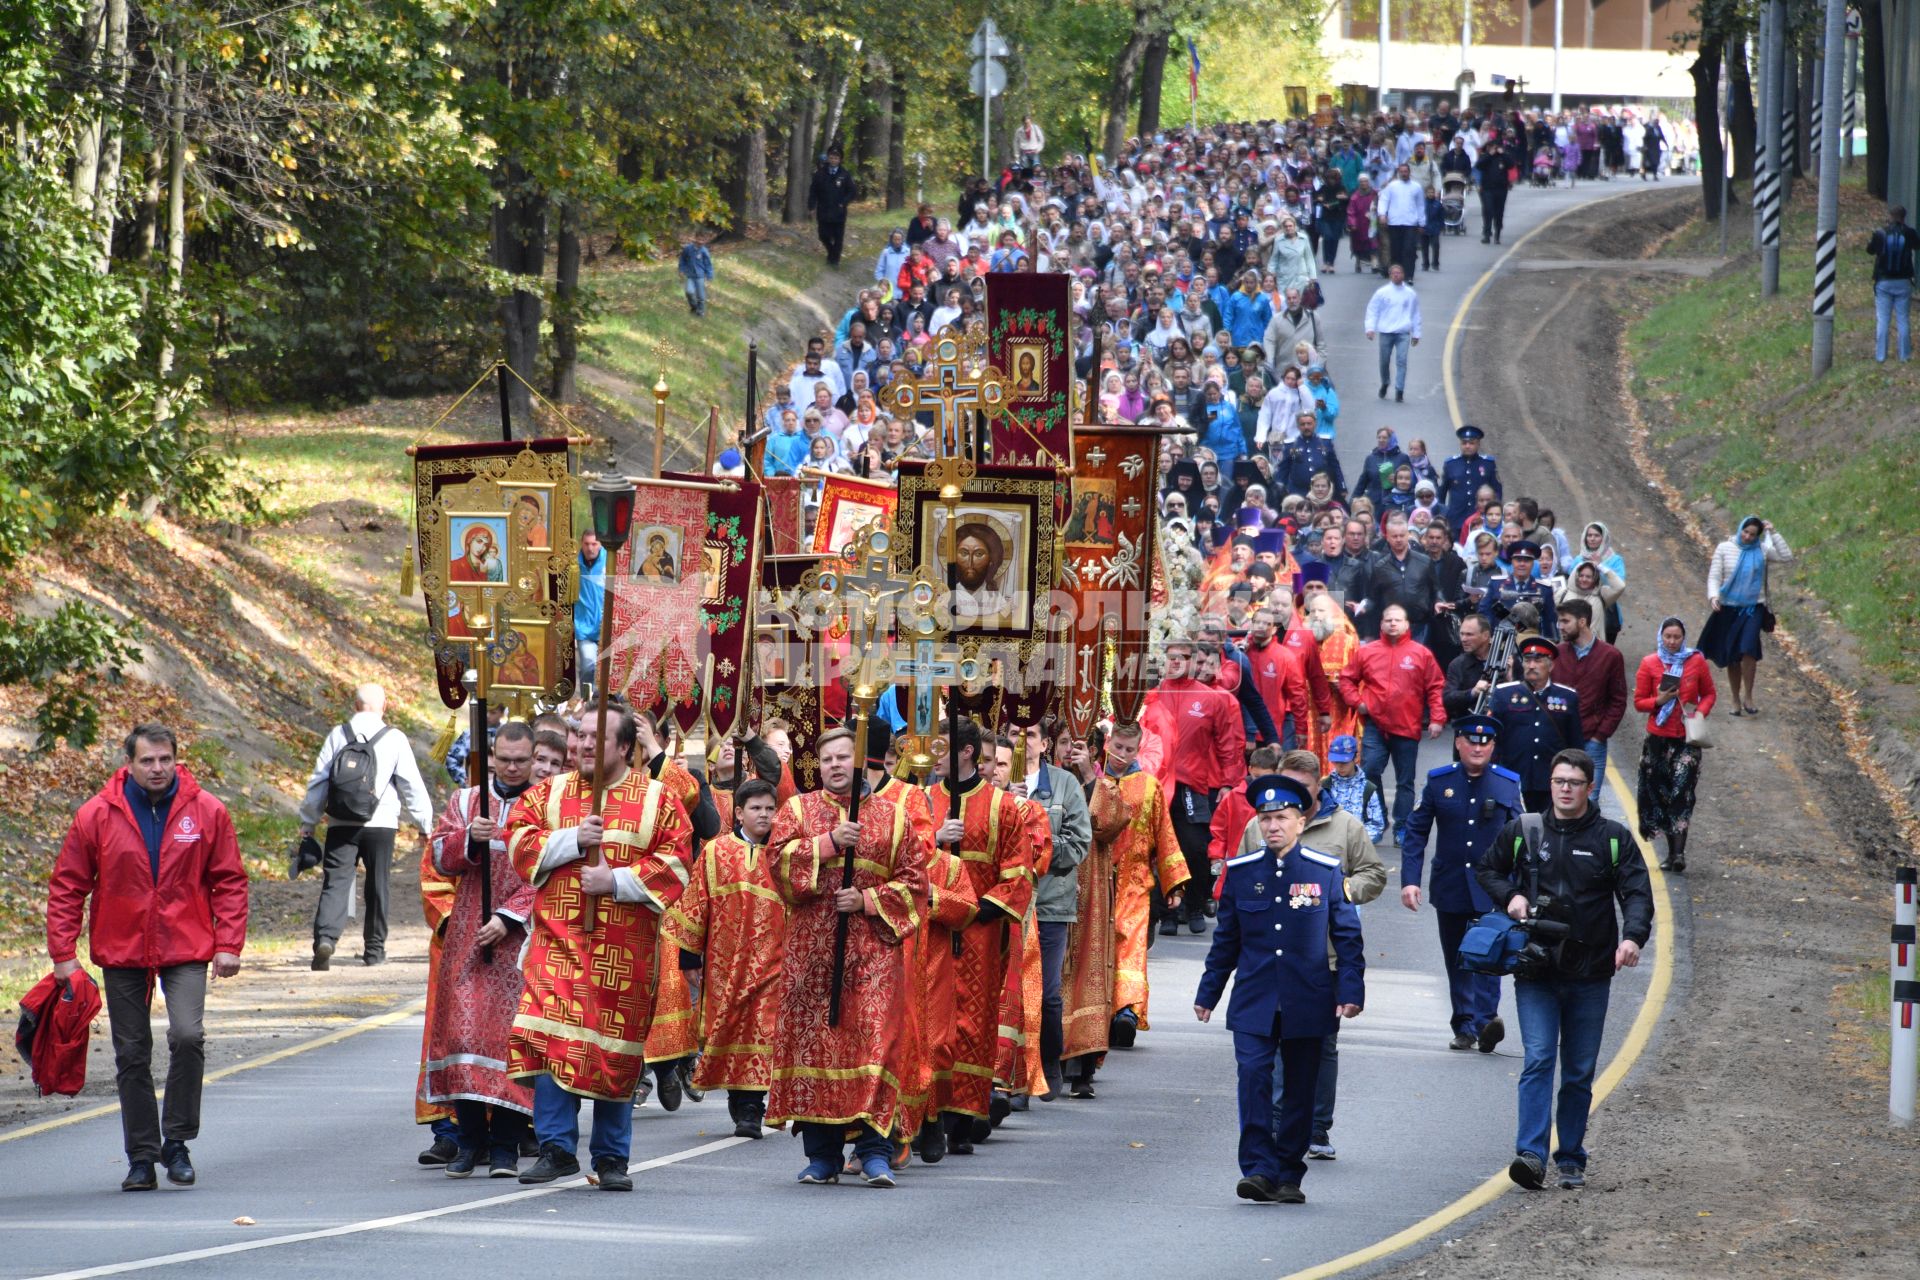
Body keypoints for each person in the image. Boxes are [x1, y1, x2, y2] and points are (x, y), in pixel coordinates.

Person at [46, 724, 248, 1191]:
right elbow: (68, 886)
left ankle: (176, 1141)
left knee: (187, 1035)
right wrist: (63, 953)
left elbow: (230, 880)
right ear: (130, 764)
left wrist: (228, 943)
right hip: (122, 947)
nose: (157, 769)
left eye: (165, 760)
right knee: (132, 1054)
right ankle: (141, 1156)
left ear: (176, 760)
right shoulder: (97, 815)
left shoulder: (207, 811)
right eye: (147, 761)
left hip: (186, 942)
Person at [505, 705, 695, 1191]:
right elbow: (519, 841)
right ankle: (555, 1147)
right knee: (546, 1035)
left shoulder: (657, 800)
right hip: (558, 943)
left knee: (613, 1051)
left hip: (624, 955)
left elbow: (677, 864)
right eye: (580, 735)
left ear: (625, 746)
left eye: (596, 737)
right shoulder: (549, 794)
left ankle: (611, 1157)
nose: (584, 745)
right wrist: (570, 840)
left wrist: (617, 880)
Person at [1477, 748, 1652, 1191]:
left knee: (1578, 1070)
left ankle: (1571, 1155)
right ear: (1550, 784)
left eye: (1574, 782)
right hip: (1536, 972)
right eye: (1559, 781)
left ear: (1589, 788)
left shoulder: (1613, 838)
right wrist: (1510, 897)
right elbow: (1488, 869)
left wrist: (1632, 937)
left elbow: (1636, 893)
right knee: (1538, 1058)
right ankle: (1531, 1155)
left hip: (1591, 973)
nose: (1566, 789)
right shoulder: (1525, 830)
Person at [763, 728, 925, 1186]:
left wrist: (869, 901)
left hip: (872, 955)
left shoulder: (894, 817)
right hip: (811, 957)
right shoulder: (797, 810)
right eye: (828, 759)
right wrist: (830, 842)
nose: (835, 765)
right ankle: (822, 1155)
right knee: (815, 1049)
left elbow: (916, 885)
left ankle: (874, 1151)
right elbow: (776, 864)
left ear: (859, 762)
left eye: (843, 757)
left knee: (875, 1045)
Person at [1195, 775, 1364, 1205]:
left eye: (1282, 818)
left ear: (1301, 822)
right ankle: (1258, 1168)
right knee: (1252, 1077)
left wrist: (1350, 990)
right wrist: (1208, 992)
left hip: (1308, 998)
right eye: (1266, 819)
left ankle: (1289, 1171)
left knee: (1300, 1087)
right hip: (1254, 998)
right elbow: (1226, 939)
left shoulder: (1324, 872)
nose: (1273, 826)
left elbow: (1346, 936)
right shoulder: (1242, 872)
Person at [422, 721, 537, 1178]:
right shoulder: (465, 801)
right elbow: (437, 856)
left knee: (510, 1041)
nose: (511, 768)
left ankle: (506, 1146)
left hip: (520, 941)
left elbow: (550, 869)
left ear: (532, 759)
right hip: (469, 936)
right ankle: (469, 1142)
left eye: (521, 760)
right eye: (504, 759)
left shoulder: (545, 805)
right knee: (464, 1037)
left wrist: (509, 916)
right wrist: (469, 837)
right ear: (491, 756)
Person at [926, 717, 1034, 1153]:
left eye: (943, 748)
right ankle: (928, 1111)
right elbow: (905, 854)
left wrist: (976, 910)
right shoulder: (925, 800)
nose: (936, 756)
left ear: (966, 752)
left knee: (973, 1020)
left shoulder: (1002, 806)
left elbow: (1018, 871)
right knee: (933, 1018)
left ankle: (965, 1115)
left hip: (980, 933)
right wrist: (934, 841)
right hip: (932, 926)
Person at [1276, 750, 1383, 1161]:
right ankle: (1277, 1124)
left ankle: (1317, 1129)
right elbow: (1243, 872)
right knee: (1274, 1042)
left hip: (1327, 959)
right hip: (1275, 958)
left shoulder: (1345, 827)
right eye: (1288, 787)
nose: (1293, 797)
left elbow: (1372, 873)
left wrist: (1339, 893)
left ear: (1318, 786)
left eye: (1303, 788)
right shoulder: (1265, 825)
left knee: (1321, 1046)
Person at [1400, 714, 1524, 1052]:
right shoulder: (1440, 781)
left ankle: (1486, 1022)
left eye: (1485, 742)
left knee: (1490, 950)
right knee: (1457, 958)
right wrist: (1410, 880)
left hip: (1494, 888)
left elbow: (1522, 840)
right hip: (1451, 884)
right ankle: (1464, 1026)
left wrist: (1520, 889)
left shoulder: (1507, 784)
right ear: (1458, 743)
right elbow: (1415, 832)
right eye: (1471, 740)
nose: (1478, 747)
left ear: (1493, 747)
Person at [1075, 718, 1188, 1083]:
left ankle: (1126, 1011)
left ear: (1139, 750)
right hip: (1096, 876)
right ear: (1106, 744)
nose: (1122, 756)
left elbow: (1164, 835)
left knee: (1131, 944)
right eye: (1117, 748)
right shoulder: (1092, 781)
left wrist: (1174, 883)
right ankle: (1098, 1012)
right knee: (1097, 946)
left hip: (1135, 881)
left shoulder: (1149, 786)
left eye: (1129, 750)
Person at [297, 684, 433, 970]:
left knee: (336, 882)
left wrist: (308, 821)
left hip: (341, 821)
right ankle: (374, 950)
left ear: (355, 706)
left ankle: (326, 939)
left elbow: (319, 781)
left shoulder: (338, 734)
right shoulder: (394, 738)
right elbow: (411, 784)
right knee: (378, 882)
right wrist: (424, 825)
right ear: (384, 707)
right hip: (381, 823)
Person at [1010, 719, 1092, 1099]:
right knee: (1006, 991)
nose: (1020, 741)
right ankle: (1011, 1074)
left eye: (1028, 735)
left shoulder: (1063, 783)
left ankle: (1047, 1063)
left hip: (1049, 903)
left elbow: (1078, 844)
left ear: (1044, 745)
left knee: (1046, 992)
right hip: (1005, 903)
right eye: (1012, 734)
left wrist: (1036, 847)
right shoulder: (996, 781)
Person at [1146, 637, 1247, 933]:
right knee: (1158, 848)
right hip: (1156, 786)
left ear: (1193, 662)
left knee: (1195, 848)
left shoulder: (1211, 698)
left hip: (1193, 785)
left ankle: (1194, 905)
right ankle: (1165, 913)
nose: (1176, 661)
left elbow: (1228, 744)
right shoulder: (1151, 697)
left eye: (1183, 656)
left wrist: (1229, 783)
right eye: (1171, 656)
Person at [1340, 604, 1445, 842]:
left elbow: (1435, 686)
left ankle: (1402, 826)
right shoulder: (1367, 652)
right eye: (1388, 620)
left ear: (1407, 625)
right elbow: (1347, 679)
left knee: (1405, 781)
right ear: (1381, 624)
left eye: (1398, 620)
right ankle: (1378, 820)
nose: (1393, 624)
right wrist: (1358, 702)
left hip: (1407, 727)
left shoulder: (1421, 653)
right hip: (1375, 725)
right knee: (1370, 772)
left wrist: (1437, 718)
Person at [1633, 616, 1718, 872]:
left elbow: (1710, 693)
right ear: (1661, 637)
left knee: (1682, 793)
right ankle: (1670, 852)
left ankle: (1678, 854)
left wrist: (1699, 712)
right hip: (1657, 740)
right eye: (1667, 637)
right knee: (1660, 793)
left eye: (1676, 637)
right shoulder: (1649, 663)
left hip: (1686, 739)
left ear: (1684, 638)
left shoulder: (1696, 661)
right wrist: (1658, 700)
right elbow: (1639, 702)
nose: (1671, 642)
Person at [1700, 515, 1791, 717]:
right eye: (1745, 532)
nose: (1748, 537)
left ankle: (1748, 696)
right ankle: (1735, 699)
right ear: (1740, 529)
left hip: (1753, 607)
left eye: (1752, 534)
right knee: (1733, 655)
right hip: (1728, 607)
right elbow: (1714, 576)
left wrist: (1773, 532)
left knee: (1748, 649)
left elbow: (1786, 557)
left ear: (1757, 536)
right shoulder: (1724, 548)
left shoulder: (1762, 550)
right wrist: (1714, 596)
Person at [1489, 634, 1583, 814]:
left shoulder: (1567, 697)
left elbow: (1575, 744)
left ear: (1551, 665)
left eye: (1538, 660)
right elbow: (1494, 740)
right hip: (1512, 776)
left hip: (1551, 781)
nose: (1531, 666)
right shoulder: (1504, 694)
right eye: (1527, 660)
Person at [1551, 600, 1628, 808]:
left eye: (1565, 621)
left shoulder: (1610, 656)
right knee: (1559, 801)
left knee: (1589, 802)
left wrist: (1600, 735)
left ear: (1582, 621)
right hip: (1559, 741)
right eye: (1559, 621)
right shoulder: (1556, 654)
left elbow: (1618, 699)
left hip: (1591, 742)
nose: (1560, 626)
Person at [1364, 263, 1421, 403]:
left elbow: (1415, 314)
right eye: (1394, 273)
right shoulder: (1382, 293)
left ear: (1403, 275)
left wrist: (1416, 333)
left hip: (1403, 333)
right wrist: (1370, 328)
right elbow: (1373, 310)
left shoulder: (1410, 294)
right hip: (1386, 332)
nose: (1397, 275)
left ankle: (1399, 390)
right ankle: (1385, 382)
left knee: (1401, 361)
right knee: (1384, 361)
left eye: (1399, 273)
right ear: (1390, 275)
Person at [1866, 204, 1916, 362]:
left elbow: (1870, 250)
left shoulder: (1881, 233)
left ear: (1890, 216)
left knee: (1883, 319)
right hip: (1903, 282)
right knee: (1903, 319)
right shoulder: (1909, 233)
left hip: (1883, 282)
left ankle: (1881, 356)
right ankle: (1905, 356)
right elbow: (1917, 245)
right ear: (1904, 217)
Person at [1438, 424, 1502, 531]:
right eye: (1464, 443)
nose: (1467, 446)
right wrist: (1442, 515)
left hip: (1481, 520)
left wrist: (1494, 514)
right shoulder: (1451, 464)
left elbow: (1497, 491)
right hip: (1456, 519)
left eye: (1471, 443)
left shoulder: (1488, 463)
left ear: (1478, 444)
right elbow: (1441, 492)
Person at [807, 146, 858, 266]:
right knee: (823, 235)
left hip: (838, 212)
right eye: (831, 157)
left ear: (840, 159)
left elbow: (852, 192)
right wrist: (811, 206)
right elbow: (813, 191)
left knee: (838, 237)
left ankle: (835, 261)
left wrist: (843, 203)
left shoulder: (845, 175)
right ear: (828, 158)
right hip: (823, 210)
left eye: (836, 158)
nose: (833, 160)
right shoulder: (819, 174)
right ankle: (831, 252)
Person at [1379, 162, 1425, 280]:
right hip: (1394, 223)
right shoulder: (1392, 186)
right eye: (1402, 172)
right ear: (1399, 173)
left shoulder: (1416, 187)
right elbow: (1384, 199)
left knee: (1409, 250)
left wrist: (1422, 222)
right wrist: (1382, 214)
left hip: (1410, 223)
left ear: (1409, 172)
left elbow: (1420, 205)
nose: (1404, 174)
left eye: (1406, 172)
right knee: (1396, 251)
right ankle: (1396, 276)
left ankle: (1409, 276)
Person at [575, 530, 605, 694]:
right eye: (586, 544)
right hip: (584, 625)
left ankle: (611, 703)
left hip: (607, 624)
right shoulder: (573, 563)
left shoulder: (610, 561)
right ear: (581, 543)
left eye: (594, 544)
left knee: (612, 668)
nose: (590, 548)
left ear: (600, 544)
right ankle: (586, 701)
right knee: (588, 664)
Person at [676, 235, 714, 316]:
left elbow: (708, 264)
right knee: (689, 292)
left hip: (700, 276)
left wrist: (709, 275)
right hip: (690, 275)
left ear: (705, 240)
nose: (700, 242)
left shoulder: (704, 251)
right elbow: (682, 259)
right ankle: (694, 307)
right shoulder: (688, 249)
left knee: (700, 295)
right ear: (695, 238)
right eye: (699, 239)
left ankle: (700, 311)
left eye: (703, 240)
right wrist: (681, 269)